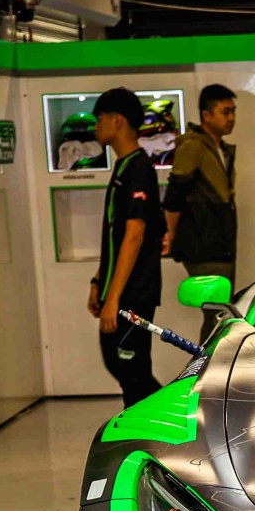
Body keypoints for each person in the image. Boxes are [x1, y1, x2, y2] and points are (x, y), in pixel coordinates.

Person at [88, 88, 163, 409]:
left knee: (132, 372)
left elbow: (134, 234)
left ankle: (167, 423)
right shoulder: (123, 167)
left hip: (134, 293)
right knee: (120, 364)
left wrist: (115, 298)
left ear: (117, 121)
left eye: (100, 119)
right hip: (118, 291)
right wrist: (98, 281)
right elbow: (114, 236)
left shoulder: (139, 168)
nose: (96, 127)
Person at [164, 83, 239, 341]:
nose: (231, 118)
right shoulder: (193, 146)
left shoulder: (220, 148)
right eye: (225, 112)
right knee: (217, 313)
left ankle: (210, 359)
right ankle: (206, 360)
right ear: (206, 115)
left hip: (220, 242)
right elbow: (174, 194)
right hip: (203, 242)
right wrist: (171, 235)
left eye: (233, 112)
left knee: (222, 313)